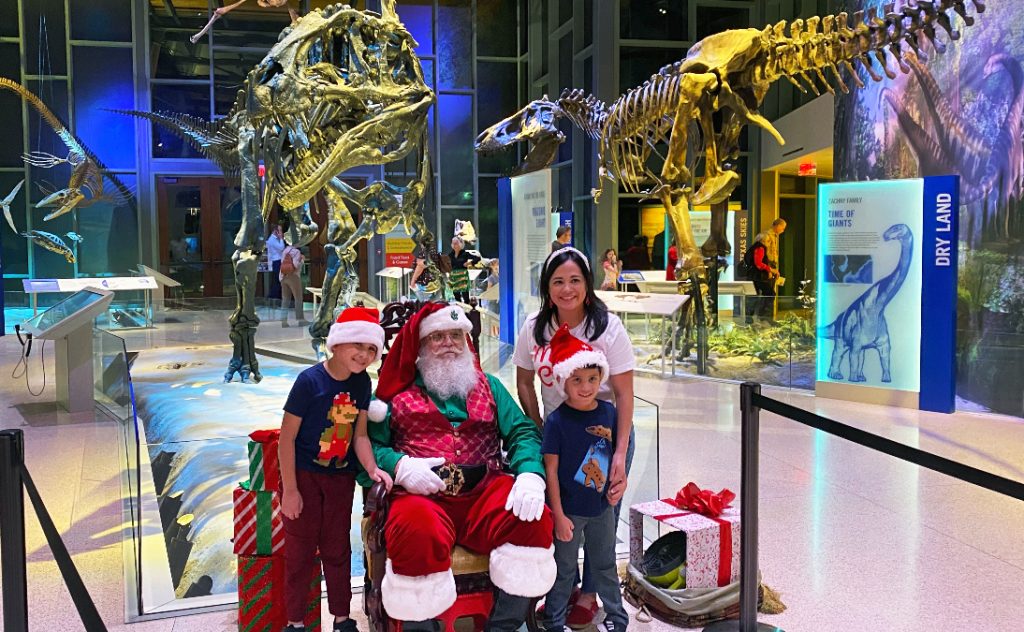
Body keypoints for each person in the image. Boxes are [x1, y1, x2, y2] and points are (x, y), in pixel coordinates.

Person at [366, 302, 555, 631]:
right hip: (422, 495)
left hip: (483, 490)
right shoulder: (393, 395)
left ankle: (504, 625)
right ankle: (420, 626)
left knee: (534, 518)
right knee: (415, 529)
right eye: (437, 336)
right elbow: (370, 446)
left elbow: (523, 431)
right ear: (420, 346)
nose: (449, 343)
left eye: (456, 335)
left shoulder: (489, 386)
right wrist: (402, 466)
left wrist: (528, 474)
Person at [511, 247, 635, 627]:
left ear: (588, 284)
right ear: (547, 288)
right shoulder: (535, 327)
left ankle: (592, 592)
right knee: (562, 514)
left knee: (601, 514)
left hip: (603, 438)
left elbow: (625, 393)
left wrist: (619, 453)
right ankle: (563, 587)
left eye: (575, 280)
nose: (567, 289)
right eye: (558, 281)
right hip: (562, 437)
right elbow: (523, 381)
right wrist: (539, 427)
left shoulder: (606, 327)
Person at [279, 307, 391, 632]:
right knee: (300, 553)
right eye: (358, 345)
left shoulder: (361, 385)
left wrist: (372, 468)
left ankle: (342, 618)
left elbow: (359, 436)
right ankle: (295, 622)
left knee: (338, 549)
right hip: (305, 477)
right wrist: (290, 490)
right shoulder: (309, 382)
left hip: (340, 479)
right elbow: (286, 439)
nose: (364, 354)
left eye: (372, 348)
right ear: (337, 344)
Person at [541, 324, 629, 632]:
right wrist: (558, 516)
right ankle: (553, 623)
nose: (586, 386)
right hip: (568, 511)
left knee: (605, 566)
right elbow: (550, 471)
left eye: (592, 379)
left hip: (601, 509)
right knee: (564, 569)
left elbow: (616, 459)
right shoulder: (556, 422)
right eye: (577, 380)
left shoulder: (608, 412)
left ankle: (618, 619)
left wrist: (617, 486)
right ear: (564, 381)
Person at [743, 232, 777, 324]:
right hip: (758, 276)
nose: (769, 243)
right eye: (768, 241)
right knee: (770, 293)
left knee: (753, 295)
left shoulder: (753, 247)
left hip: (752, 276)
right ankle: (764, 316)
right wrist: (771, 270)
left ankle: (750, 318)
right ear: (763, 240)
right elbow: (759, 264)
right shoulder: (760, 248)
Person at [280, 242, 307, 327]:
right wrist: (302, 260)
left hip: (283, 276)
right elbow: (296, 265)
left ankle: (283, 322)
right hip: (293, 276)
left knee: (285, 300)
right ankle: (300, 320)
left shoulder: (285, 251)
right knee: (298, 298)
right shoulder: (296, 252)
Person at [448, 236, 481, 304]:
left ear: (461, 244)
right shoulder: (450, 255)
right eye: (453, 243)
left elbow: (478, 258)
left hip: (463, 276)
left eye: (456, 243)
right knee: (456, 295)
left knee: (465, 295)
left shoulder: (465, 254)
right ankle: (459, 309)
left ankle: (467, 310)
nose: (454, 245)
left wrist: (470, 263)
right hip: (454, 277)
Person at [266, 223, 285, 300]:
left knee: (279, 279)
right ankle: (272, 296)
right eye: (280, 230)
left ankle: (277, 296)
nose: (281, 232)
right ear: (275, 231)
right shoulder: (272, 239)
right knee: (278, 280)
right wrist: (281, 239)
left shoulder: (274, 239)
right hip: (276, 261)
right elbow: (281, 247)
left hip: (278, 261)